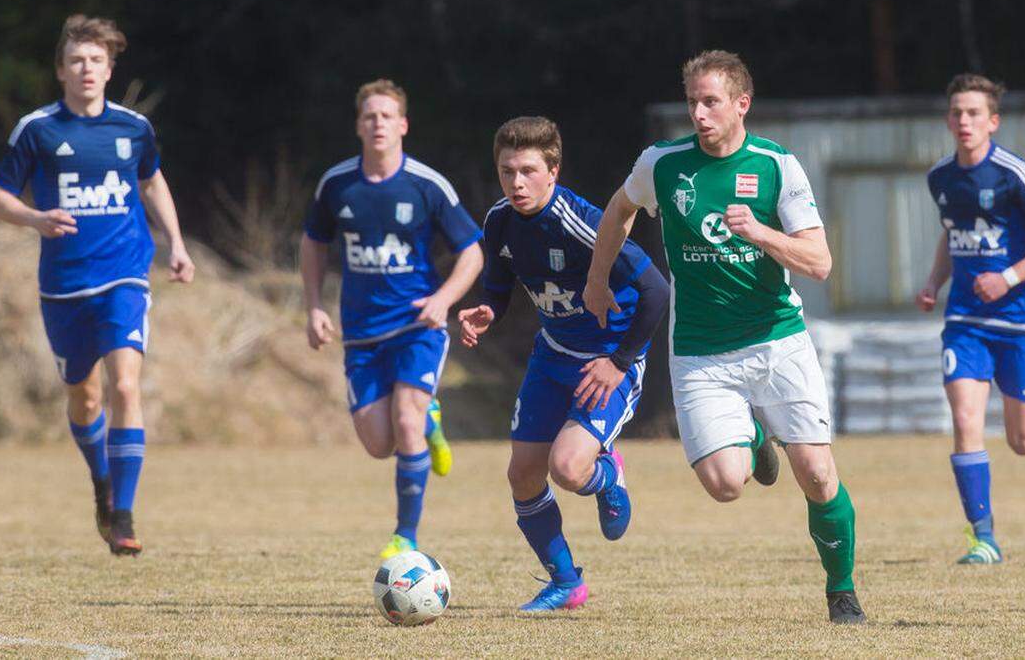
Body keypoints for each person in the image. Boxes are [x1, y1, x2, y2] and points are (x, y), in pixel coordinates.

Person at [584, 50, 865, 624]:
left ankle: (842, 590)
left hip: (777, 341)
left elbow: (819, 262)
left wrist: (760, 231)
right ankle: (758, 437)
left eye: (710, 101)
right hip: (701, 353)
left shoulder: (776, 166)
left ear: (742, 104)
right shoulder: (662, 164)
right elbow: (619, 208)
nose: (699, 113)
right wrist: (595, 278)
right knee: (725, 485)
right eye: (692, 101)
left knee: (815, 473)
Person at [0, 14, 196, 555]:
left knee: (126, 386)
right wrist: (35, 219)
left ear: (109, 69)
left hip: (125, 271)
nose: (86, 69)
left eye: (96, 60)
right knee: (84, 395)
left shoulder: (133, 128)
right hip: (62, 285)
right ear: (61, 69)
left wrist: (176, 242)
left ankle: (123, 517)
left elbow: (152, 182)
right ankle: (101, 483)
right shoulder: (37, 130)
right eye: (76, 60)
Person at [458, 117, 669, 611]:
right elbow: (500, 281)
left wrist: (619, 362)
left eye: (529, 170)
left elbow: (657, 291)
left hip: (606, 363)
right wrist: (489, 309)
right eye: (507, 171)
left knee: (568, 468)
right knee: (523, 474)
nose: (516, 182)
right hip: (551, 355)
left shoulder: (585, 224)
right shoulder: (499, 220)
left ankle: (608, 477)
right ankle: (566, 582)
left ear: (553, 171)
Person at [301, 79, 483, 560]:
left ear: (402, 125)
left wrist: (443, 300)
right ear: (359, 126)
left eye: (387, 116)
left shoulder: (427, 185)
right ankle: (431, 420)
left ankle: (406, 536)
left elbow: (472, 252)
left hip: (418, 326)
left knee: (405, 418)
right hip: (361, 335)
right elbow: (312, 243)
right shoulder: (337, 185)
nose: (377, 123)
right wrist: (314, 306)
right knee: (378, 444)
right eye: (369, 116)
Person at [916, 73, 1025, 565]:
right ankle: (983, 538)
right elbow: (952, 235)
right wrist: (934, 282)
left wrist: (1007, 277)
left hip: (1020, 322)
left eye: (973, 113)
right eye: (956, 113)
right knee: (966, 420)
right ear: (948, 120)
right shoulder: (940, 178)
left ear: (993, 121)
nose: (964, 121)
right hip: (965, 320)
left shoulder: (1016, 175)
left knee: (1023, 441)